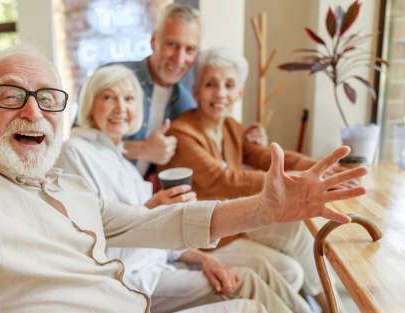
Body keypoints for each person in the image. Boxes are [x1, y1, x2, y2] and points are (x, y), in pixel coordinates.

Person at [0, 44, 366, 313]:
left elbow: (158, 223)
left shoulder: (64, 186)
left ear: (62, 114)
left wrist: (265, 210)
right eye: (10, 96)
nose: (32, 112)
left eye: (48, 99)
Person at [56, 64, 314, 313]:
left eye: (129, 98)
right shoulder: (76, 152)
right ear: (90, 104)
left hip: (162, 264)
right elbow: (90, 239)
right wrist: (150, 211)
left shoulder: (121, 161)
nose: (121, 108)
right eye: (109, 97)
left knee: (263, 270)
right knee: (244, 282)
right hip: (130, 278)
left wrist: (205, 259)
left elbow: (161, 234)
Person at [160, 47, 352, 312]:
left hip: (236, 224)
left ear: (239, 93)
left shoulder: (229, 127)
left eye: (229, 85)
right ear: (195, 91)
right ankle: (329, 305)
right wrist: (294, 181)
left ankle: (331, 305)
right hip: (208, 236)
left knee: (299, 227)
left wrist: (320, 169)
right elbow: (225, 179)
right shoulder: (183, 134)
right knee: (291, 269)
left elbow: (267, 157)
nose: (220, 93)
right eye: (210, 84)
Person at [114, 3, 199, 176]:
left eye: (189, 49)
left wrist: (249, 141)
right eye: (172, 44)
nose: (180, 58)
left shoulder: (186, 105)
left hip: (143, 199)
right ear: (153, 41)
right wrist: (142, 149)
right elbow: (79, 142)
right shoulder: (114, 78)